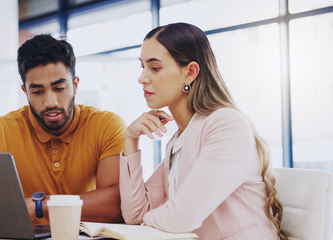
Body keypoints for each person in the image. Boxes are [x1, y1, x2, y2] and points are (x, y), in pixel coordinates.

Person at [119, 22, 287, 239]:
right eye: (142, 66)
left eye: (155, 67)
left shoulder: (225, 125)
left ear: (190, 72)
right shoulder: (178, 139)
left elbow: (181, 218)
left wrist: (148, 222)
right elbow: (135, 214)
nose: (142, 78)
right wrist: (130, 139)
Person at [0, 34, 126, 224]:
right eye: (37, 92)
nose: (50, 102)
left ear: (75, 85)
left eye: (59, 88)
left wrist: (39, 205)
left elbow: (117, 205)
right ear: (25, 92)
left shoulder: (107, 125)